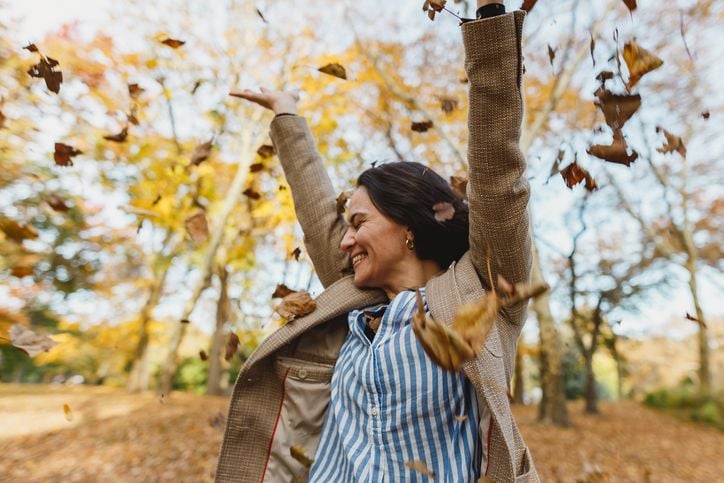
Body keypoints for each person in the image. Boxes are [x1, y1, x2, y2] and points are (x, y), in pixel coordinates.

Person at [217, 2, 538, 482]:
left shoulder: (482, 292)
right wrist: (287, 114)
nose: (344, 241)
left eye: (358, 223)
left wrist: (490, 27)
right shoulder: (353, 301)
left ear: (408, 227)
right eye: (345, 227)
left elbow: (498, 178)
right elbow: (316, 209)